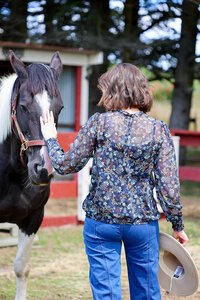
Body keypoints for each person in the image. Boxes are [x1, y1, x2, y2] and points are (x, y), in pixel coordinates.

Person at [40, 63, 188, 300]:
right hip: (142, 224)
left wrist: (51, 139)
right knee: (147, 293)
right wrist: (177, 224)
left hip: (101, 222)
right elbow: (168, 186)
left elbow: (66, 165)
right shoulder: (157, 130)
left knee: (106, 293)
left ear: (112, 91)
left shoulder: (99, 123)